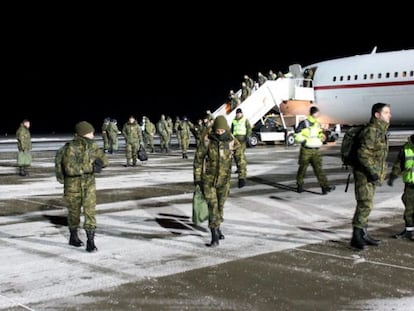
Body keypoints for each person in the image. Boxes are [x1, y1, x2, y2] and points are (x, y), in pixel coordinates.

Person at [193, 115, 246, 247]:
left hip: (224, 181)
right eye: (217, 131)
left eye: (222, 131)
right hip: (209, 181)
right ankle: (214, 236)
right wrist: (198, 178)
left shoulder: (231, 141)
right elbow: (198, 160)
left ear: (226, 129)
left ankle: (217, 227)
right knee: (212, 207)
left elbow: (241, 158)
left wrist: (242, 176)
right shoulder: (207, 141)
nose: (220, 133)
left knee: (220, 207)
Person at [58, 121, 109, 252]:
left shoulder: (93, 146)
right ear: (84, 133)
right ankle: (73, 237)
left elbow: (105, 161)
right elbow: (69, 169)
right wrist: (90, 167)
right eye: (91, 132)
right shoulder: (70, 147)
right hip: (73, 186)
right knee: (74, 213)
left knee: (90, 212)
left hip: (89, 185)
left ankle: (90, 241)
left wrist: (101, 163)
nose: (93, 134)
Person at [349, 102, 391, 250]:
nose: (389, 115)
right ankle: (357, 237)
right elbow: (363, 154)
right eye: (386, 113)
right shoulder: (372, 131)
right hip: (364, 174)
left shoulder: (380, 131)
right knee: (365, 204)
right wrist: (372, 172)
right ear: (377, 115)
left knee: (367, 204)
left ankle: (363, 234)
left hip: (371, 174)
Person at [294, 106, 335, 194]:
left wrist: (322, 137)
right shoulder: (304, 123)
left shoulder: (317, 123)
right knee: (303, 168)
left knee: (319, 169)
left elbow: (319, 133)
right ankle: (299, 185)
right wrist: (304, 140)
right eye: (318, 113)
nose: (319, 114)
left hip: (316, 150)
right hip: (306, 149)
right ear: (314, 113)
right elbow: (296, 134)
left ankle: (325, 187)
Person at [387, 134, 414, 241]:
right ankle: (409, 231)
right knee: (409, 208)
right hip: (410, 184)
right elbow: (399, 164)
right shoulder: (406, 148)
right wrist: (393, 175)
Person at [231, 108, 252, 174]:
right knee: (236, 155)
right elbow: (231, 130)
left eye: (239, 113)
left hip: (242, 139)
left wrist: (247, 137)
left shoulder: (245, 120)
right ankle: (238, 168)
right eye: (237, 113)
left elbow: (249, 128)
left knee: (241, 155)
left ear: (241, 113)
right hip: (235, 139)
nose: (238, 114)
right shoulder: (234, 120)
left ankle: (242, 168)